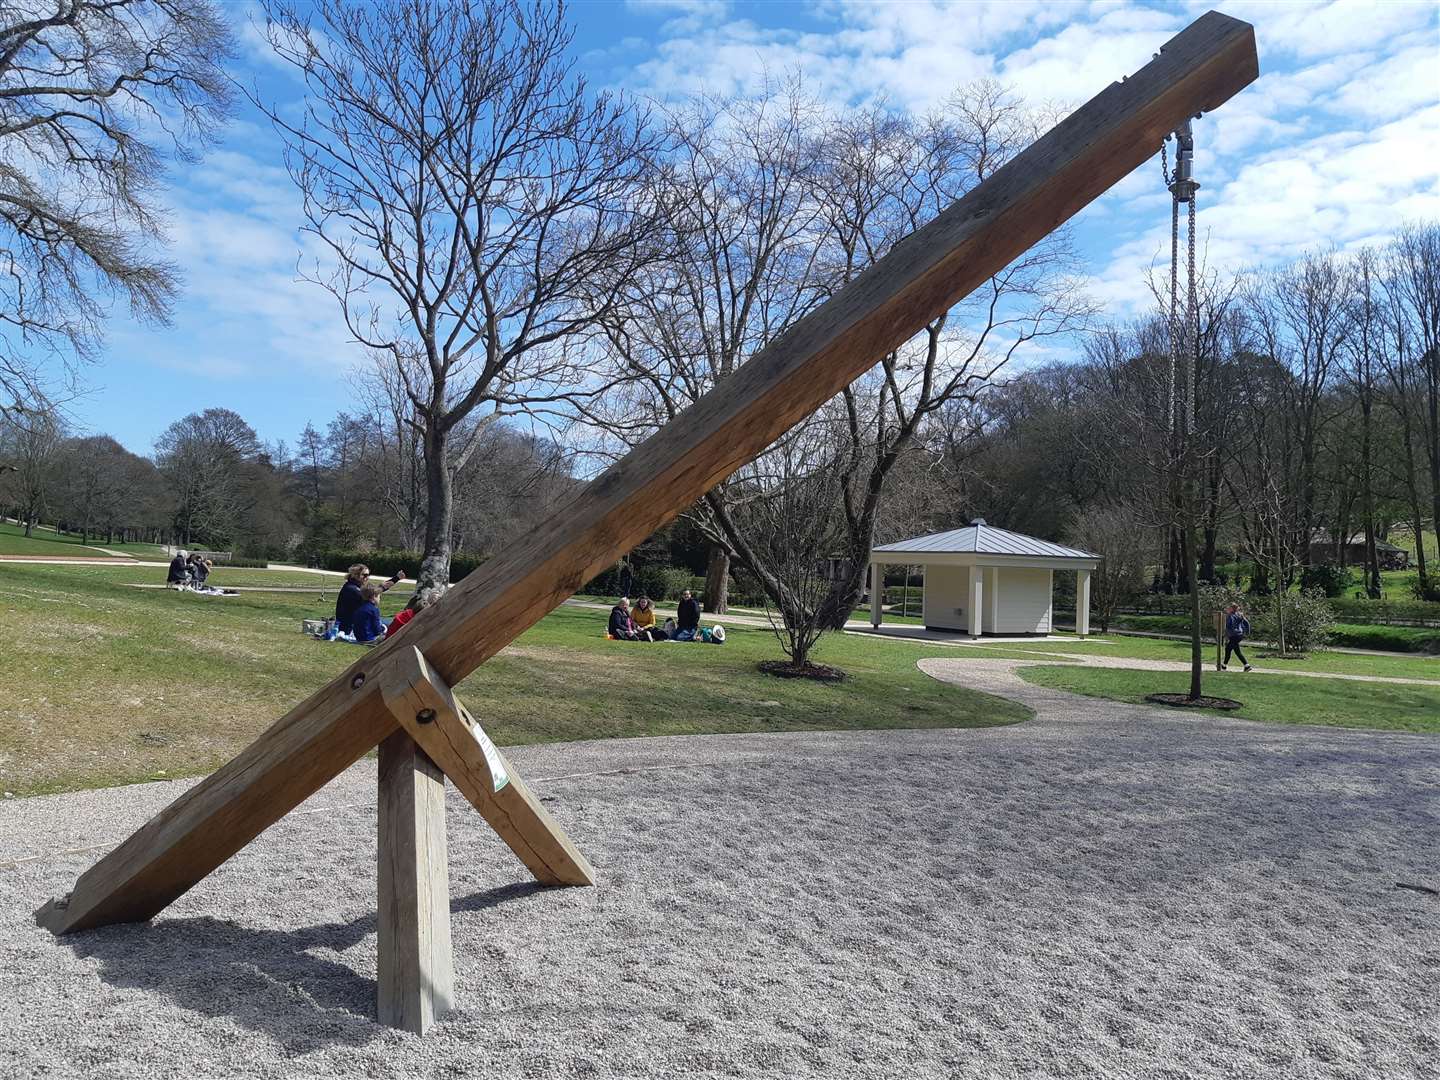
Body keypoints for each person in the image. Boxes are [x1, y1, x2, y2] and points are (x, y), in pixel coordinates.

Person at [336, 563, 405, 635]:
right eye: (365, 575)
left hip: (359, 622)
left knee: (392, 623)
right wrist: (383, 587)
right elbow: (373, 593)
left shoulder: (357, 586)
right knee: (395, 625)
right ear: (355, 575)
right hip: (350, 627)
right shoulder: (351, 589)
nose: (367, 577)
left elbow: (376, 590)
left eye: (368, 575)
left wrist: (396, 578)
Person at [1222, 603, 1252, 671]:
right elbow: (1247, 623)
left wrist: (1226, 633)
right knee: (1237, 651)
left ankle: (1224, 666)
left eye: (1229, 608)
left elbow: (1230, 625)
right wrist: (1247, 632)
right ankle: (1247, 666)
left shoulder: (1230, 616)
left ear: (1231, 608)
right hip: (1240, 635)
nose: (1227, 609)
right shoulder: (1240, 615)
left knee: (1228, 649)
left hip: (1234, 635)